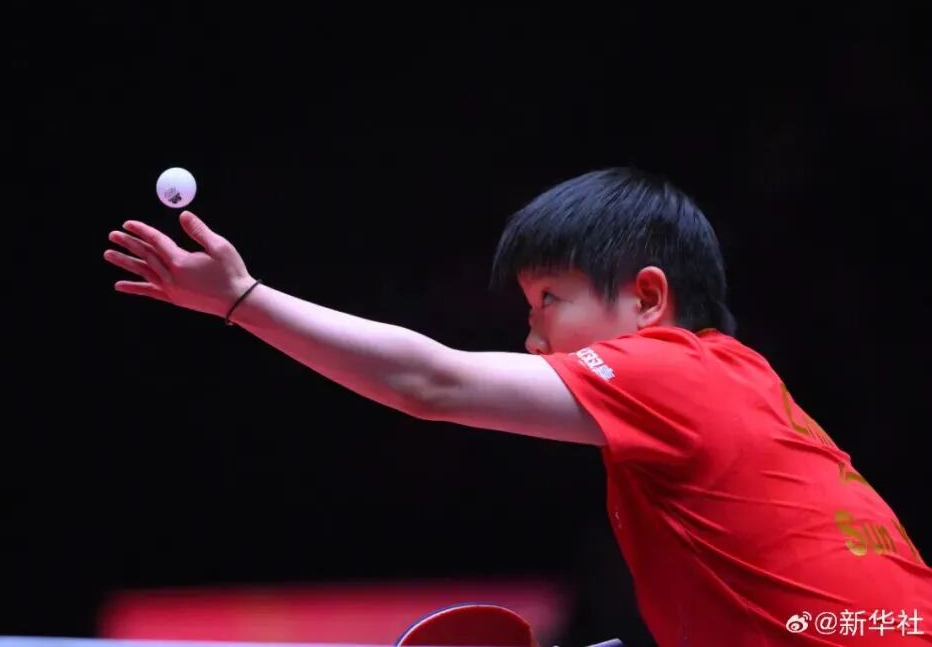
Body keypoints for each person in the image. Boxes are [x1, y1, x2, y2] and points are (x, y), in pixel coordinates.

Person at [103, 167, 931, 646]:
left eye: (548, 302)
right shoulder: (739, 382)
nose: (533, 340)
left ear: (648, 298)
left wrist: (242, 300)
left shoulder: (670, 369)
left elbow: (432, 383)